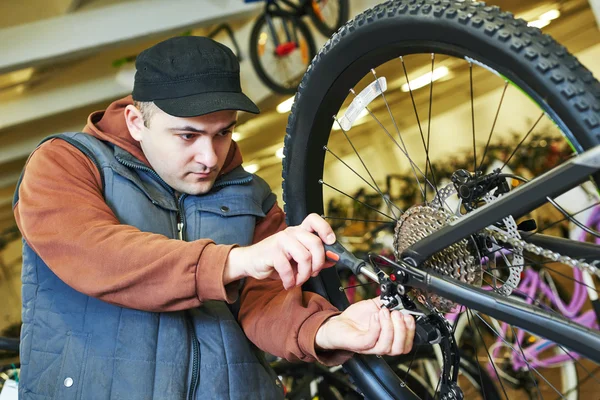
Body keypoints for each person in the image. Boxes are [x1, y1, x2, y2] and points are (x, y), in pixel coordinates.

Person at [13, 36, 415, 400]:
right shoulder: (66, 164)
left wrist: (328, 329)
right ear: (138, 123)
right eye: (188, 135)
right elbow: (96, 255)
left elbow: (267, 300)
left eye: (223, 133)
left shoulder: (249, 194)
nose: (209, 157)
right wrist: (235, 261)